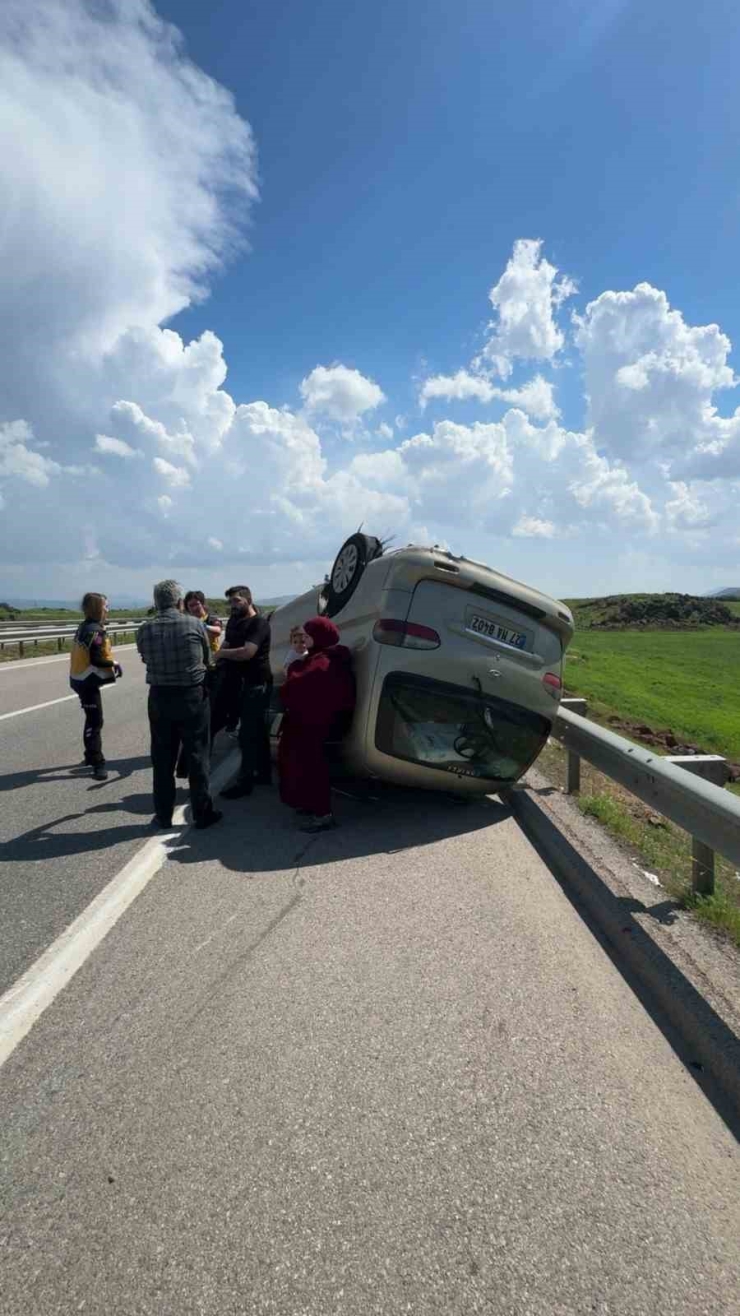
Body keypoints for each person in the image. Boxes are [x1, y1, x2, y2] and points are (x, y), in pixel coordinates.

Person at [136, 579, 222, 830]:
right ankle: (202, 814)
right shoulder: (195, 624)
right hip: (191, 696)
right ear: (179, 601)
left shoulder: (144, 629)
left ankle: (163, 815)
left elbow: (145, 658)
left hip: (159, 697)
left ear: (155, 602)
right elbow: (207, 660)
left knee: (162, 759)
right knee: (197, 756)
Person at [278, 617, 355, 832]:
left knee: (312, 768)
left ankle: (322, 814)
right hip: (316, 723)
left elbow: (296, 687)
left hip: (316, 726)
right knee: (304, 765)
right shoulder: (329, 656)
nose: (305, 640)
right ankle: (310, 804)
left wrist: (293, 669)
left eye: (309, 636)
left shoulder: (323, 662)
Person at [212, 585, 272, 799]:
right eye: (230, 601)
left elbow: (248, 652)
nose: (233, 605)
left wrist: (221, 655)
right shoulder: (236, 621)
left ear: (248, 599)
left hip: (257, 683)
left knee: (247, 733)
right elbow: (228, 642)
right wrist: (217, 658)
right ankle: (264, 773)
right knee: (257, 729)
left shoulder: (259, 623)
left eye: (236, 600)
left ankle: (244, 782)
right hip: (240, 683)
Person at [69, 592, 122, 781]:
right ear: (97, 608)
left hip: (78, 679)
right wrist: (114, 664)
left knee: (91, 719)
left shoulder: (84, 626)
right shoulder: (95, 630)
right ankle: (97, 762)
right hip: (86, 682)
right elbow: (97, 659)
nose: (108, 609)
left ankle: (89, 755)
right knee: (95, 722)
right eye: (105, 606)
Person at [175, 591, 223, 778]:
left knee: (209, 716)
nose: (194, 608)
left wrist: (197, 624)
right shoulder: (187, 621)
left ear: (203, 604)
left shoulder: (211, 619)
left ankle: (202, 756)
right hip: (195, 672)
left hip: (212, 671)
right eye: (190, 606)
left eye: (196, 604)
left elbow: (217, 631)